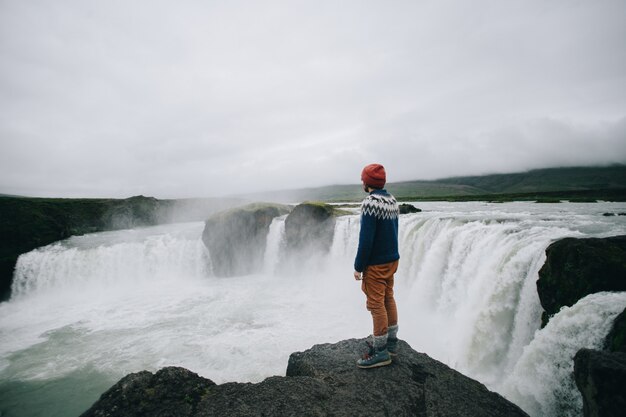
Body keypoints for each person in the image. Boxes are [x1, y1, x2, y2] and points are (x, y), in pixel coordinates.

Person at [353, 163, 400, 369]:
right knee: (388, 297)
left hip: (376, 262)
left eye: (363, 179)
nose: (362, 182)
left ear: (367, 182)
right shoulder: (392, 200)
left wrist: (359, 266)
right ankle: (391, 342)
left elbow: (366, 240)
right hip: (392, 259)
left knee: (375, 304)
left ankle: (380, 351)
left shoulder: (370, 203)